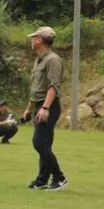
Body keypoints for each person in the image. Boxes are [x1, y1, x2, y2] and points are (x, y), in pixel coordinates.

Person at [23, 26, 67, 190]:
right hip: (39, 105)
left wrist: (45, 108)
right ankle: (42, 180)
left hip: (49, 106)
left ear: (40, 40)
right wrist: (29, 109)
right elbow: (36, 88)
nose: (31, 40)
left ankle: (59, 178)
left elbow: (53, 86)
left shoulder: (53, 60)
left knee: (39, 142)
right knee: (45, 144)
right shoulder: (39, 60)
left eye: (33, 37)